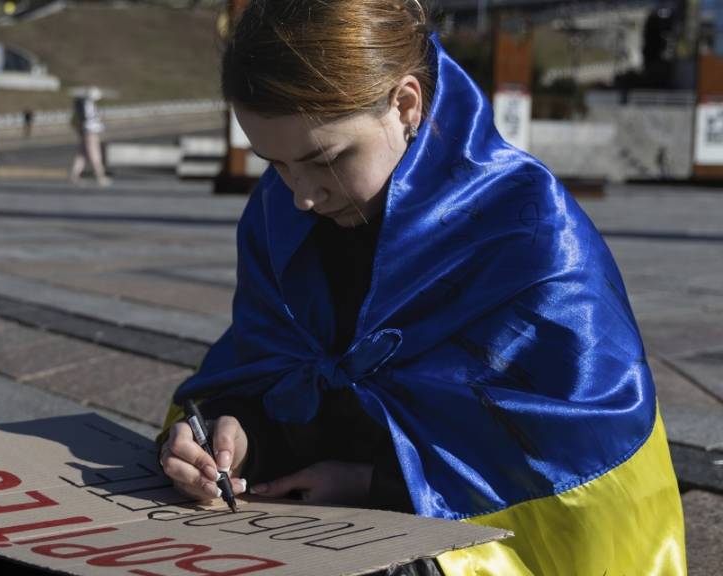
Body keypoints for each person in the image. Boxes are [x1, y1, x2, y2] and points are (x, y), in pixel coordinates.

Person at [158, 1, 686, 575]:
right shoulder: (277, 214)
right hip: (315, 518)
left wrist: (375, 482)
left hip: (494, 541)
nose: (301, 196)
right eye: (276, 164)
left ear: (405, 104)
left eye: (325, 159)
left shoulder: (526, 228)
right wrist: (233, 430)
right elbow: (269, 368)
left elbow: (565, 443)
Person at [69, 86, 111, 187]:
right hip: (90, 132)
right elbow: (91, 120)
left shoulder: (81, 104)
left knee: (82, 155)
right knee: (94, 154)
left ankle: (73, 176)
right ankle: (100, 176)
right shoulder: (88, 105)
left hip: (85, 130)